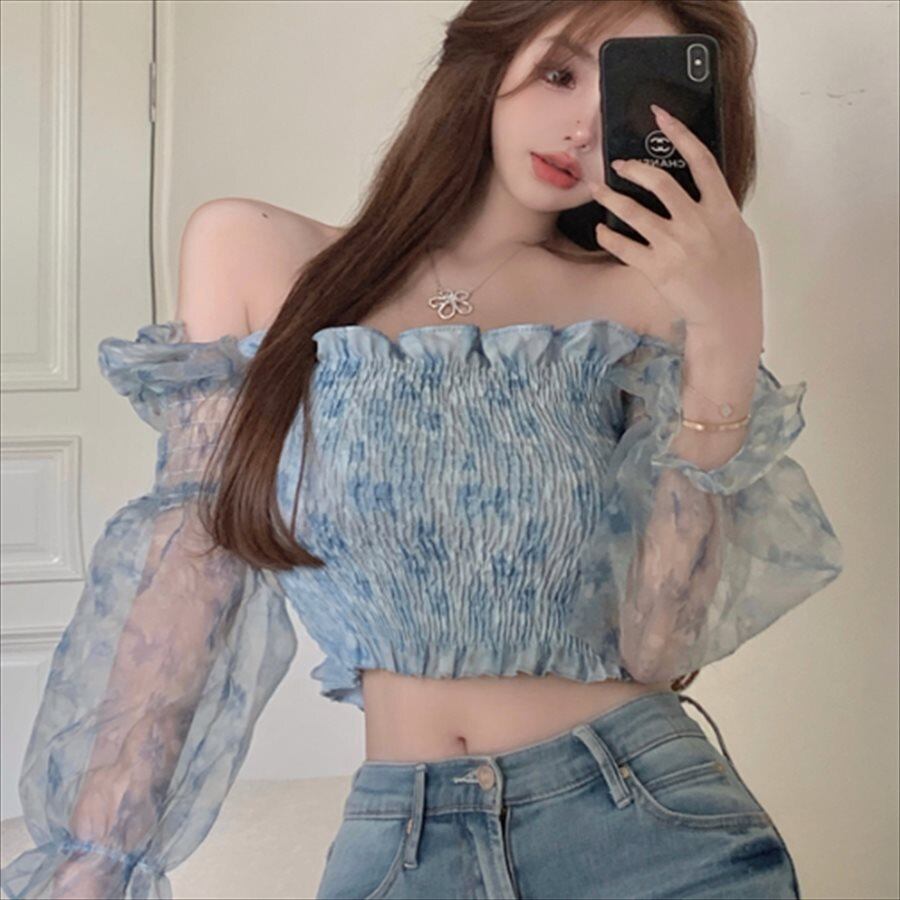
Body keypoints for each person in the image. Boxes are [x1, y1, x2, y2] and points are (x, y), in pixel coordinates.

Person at [0, 2, 844, 898]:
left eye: (621, 108)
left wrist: (725, 335)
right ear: (490, 54)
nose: (581, 129)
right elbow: (188, 575)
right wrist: (98, 856)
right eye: (560, 73)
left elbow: (659, 644)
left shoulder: (639, 303)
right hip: (403, 837)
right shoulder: (255, 255)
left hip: (646, 827)